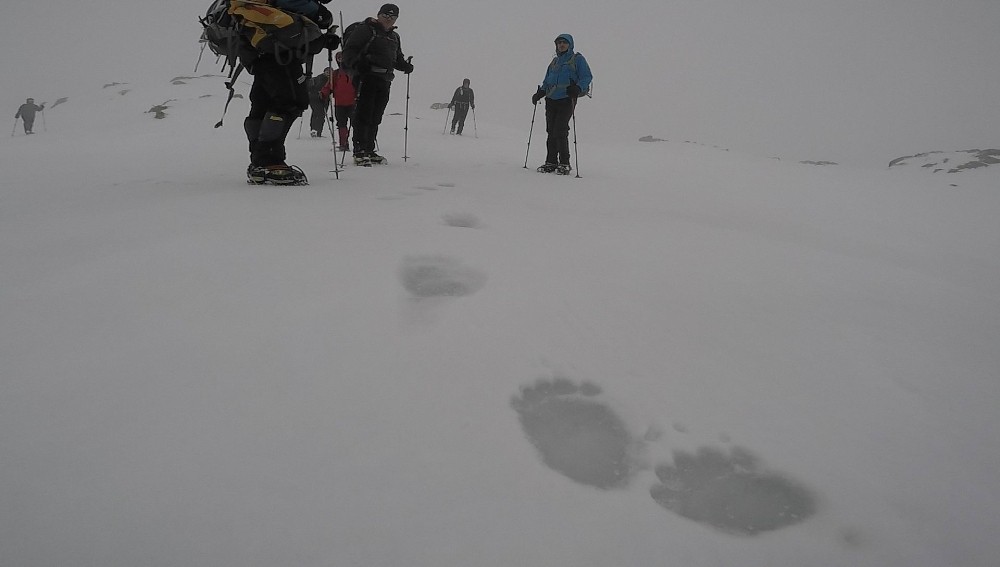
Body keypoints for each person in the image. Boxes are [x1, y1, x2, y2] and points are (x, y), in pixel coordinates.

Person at [239, 0, 339, 185]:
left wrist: (321, 41)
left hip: (261, 57)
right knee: (290, 102)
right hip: (281, 58)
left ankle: (259, 162)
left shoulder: (252, 8)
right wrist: (322, 36)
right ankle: (270, 161)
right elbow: (293, 37)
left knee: (263, 104)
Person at [341, 3, 413, 166]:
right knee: (364, 113)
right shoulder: (366, 29)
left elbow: (396, 59)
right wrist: (357, 64)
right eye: (386, 15)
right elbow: (350, 50)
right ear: (379, 15)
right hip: (366, 76)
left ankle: (369, 149)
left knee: (376, 115)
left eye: (392, 16)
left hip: (385, 79)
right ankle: (359, 150)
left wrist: (405, 66)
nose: (388, 19)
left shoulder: (394, 37)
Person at [531, 33, 592, 174]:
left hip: (567, 98)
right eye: (559, 43)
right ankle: (551, 162)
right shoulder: (554, 62)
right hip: (551, 99)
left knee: (560, 129)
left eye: (564, 42)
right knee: (551, 130)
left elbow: (587, 76)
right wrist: (540, 93)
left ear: (570, 44)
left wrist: (578, 88)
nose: (561, 45)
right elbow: (547, 81)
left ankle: (564, 163)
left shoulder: (577, 59)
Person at [320, 51, 357, 151]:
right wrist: (323, 93)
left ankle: (357, 144)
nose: (340, 61)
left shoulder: (353, 72)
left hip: (352, 102)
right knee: (342, 124)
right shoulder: (336, 74)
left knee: (354, 124)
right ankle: (344, 144)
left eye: (342, 58)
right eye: (339, 59)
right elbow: (329, 86)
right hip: (340, 103)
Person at [307, 67, 333, 138]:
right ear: (324, 72)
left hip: (322, 99)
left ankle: (316, 130)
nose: (329, 74)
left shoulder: (330, 79)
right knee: (319, 114)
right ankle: (316, 130)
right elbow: (318, 87)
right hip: (316, 98)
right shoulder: (321, 79)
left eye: (330, 72)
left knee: (319, 114)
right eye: (327, 72)